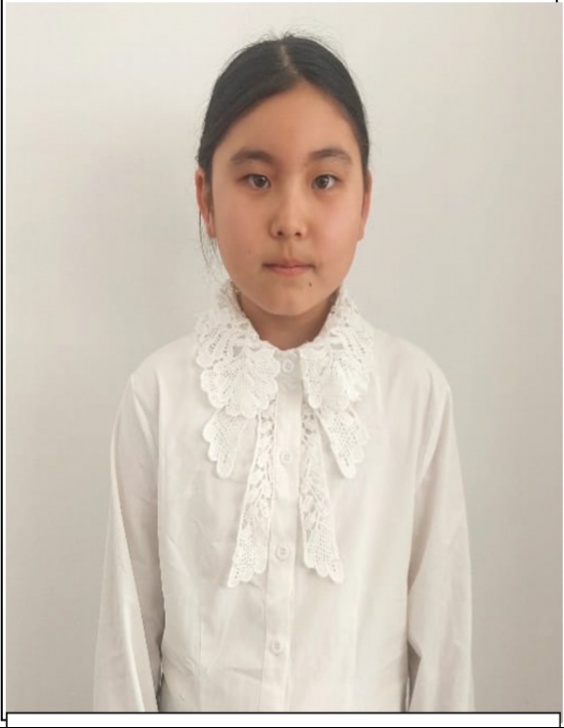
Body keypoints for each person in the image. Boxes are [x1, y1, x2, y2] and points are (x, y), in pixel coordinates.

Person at [93, 33, 474, 712]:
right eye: (257, 180)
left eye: (324, 181)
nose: (290, 220)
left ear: (364, 200)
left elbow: (443, 651)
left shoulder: (414, 395)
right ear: (206, 199)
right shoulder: (158, 396)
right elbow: (126, 647)